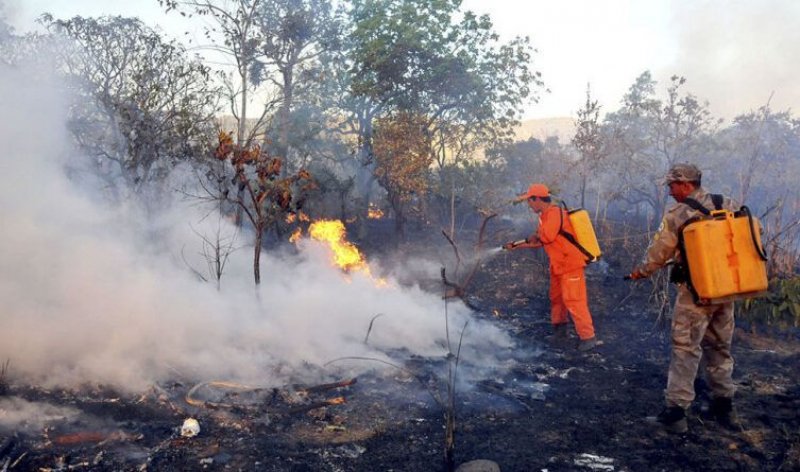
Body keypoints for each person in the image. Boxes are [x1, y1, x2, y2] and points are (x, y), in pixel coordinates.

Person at [628, 163, 740, 434]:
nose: (669, 191)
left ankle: (676, 413)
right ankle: (724, 407)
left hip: (696, 294)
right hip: (726, 290)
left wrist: (642, 271)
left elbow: (660, 251)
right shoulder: (726, 202)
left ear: (687, 184)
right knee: (720, 348)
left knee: (685, 349)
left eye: (672, 186)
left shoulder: (679, 213)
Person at [503, 183, 599, 351]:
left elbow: (546, 237)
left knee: (574, 301)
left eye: (530, 201)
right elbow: (539, 242)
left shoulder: (554, 214)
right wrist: (516, 246)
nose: (529, 205)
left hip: (570, 264)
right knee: (557, 299)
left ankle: (588, 338)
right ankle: (560, 332)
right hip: (558, 265)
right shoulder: (544, 217)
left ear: (538, 199)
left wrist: (534, 236)